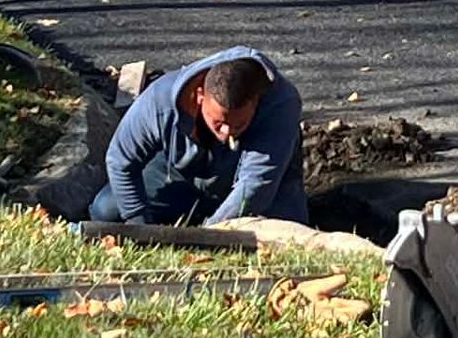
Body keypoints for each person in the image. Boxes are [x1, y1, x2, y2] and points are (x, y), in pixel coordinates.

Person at [89, 46, 306, 226]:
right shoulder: (160, 100)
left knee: (288, 236)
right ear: (200, 95)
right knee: (105, 211)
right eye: (218, 123)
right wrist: (139, 224)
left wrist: (211, 234)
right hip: (180, 173)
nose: (226, 133)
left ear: (256, 102)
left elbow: (255, 185)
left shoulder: (281, 105)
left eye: (238, 124)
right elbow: (120, 161)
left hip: (263, 185)